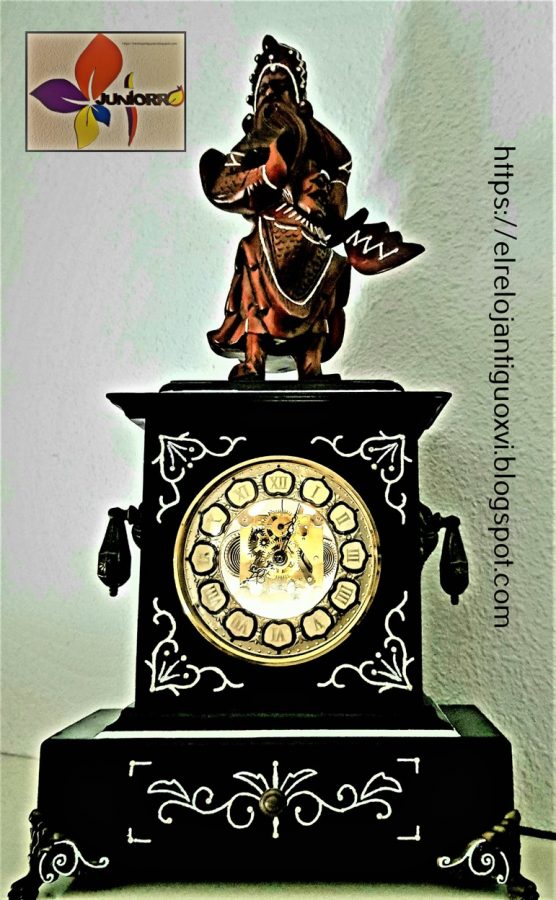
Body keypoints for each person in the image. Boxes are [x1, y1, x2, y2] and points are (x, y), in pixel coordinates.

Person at [200, 35, 423, 380]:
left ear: (298, 99)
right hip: (271, 232)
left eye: (280, 87)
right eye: (264, 90)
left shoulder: (314, 137)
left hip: (313, 236)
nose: (272, 95)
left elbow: (341, 164)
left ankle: (311, 362)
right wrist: (267, 174)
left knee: (329, 275)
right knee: (251, 261)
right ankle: (254, 358)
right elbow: (222, 185)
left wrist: (332, 201)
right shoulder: (255, 143)